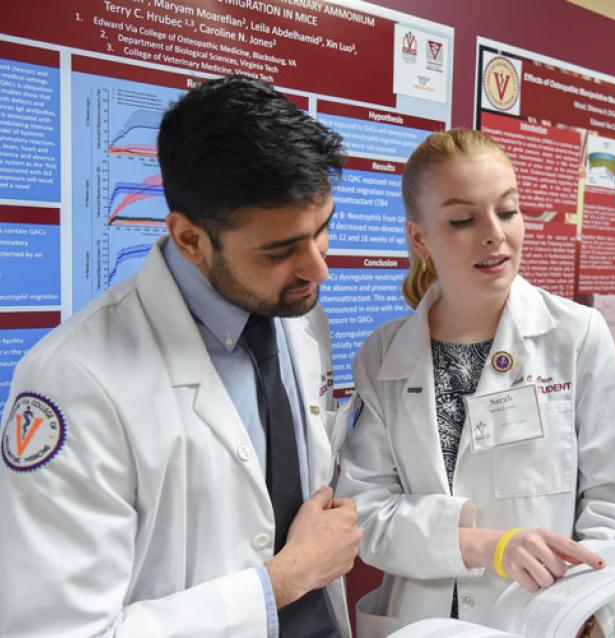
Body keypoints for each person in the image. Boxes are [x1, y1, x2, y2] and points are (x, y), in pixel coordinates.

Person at [0, 76, 361, 637]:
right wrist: (283, 581)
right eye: (281, 249)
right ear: (190, 239)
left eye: (322, 231)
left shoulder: (299, 313)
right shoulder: (72, 381)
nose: (319, 269)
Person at [337, 129, 615, 638]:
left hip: (546, 621)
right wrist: (484, 545)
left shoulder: (574, 336)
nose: (495, 235)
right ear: (420, 238)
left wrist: (590, 610)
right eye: (463, 220)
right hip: (425, 622)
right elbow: (366, 513)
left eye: (507, 211)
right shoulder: (383, 355)